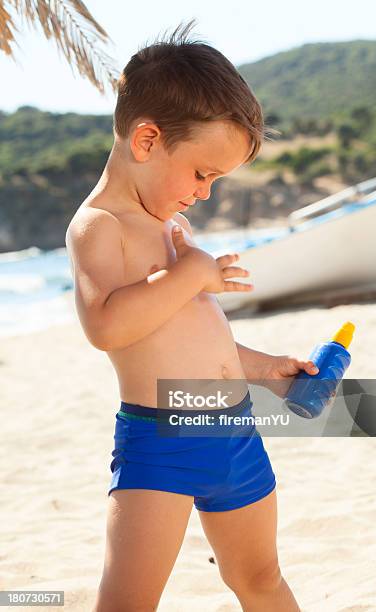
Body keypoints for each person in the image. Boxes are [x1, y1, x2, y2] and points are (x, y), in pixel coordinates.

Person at [65, 19, 318, 612]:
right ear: (147, 141)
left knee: (259, 578)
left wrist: (265, 367)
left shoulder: (171, 226)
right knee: (127, 601)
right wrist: (189, 275)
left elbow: (193, 337)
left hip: (233, 432)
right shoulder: (99, 227)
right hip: (163, 443)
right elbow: (105, 326)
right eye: (202, 173)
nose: (204, 193)